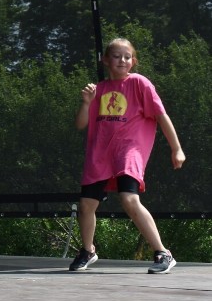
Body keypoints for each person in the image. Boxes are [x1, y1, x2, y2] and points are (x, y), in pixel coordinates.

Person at [69, 38, 185, 274]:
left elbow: (161, 116)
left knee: (129, 199)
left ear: (133, 61)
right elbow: (81, 124)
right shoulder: (98, 90)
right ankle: (88, 251)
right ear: (105, 60)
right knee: (85, 205)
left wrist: (177, 148)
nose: (122, 60)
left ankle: (163, 252)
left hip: (129, 151)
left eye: (127, 56)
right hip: (100, 154)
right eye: (116, 56)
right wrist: (85, 103)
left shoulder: (139, 83)